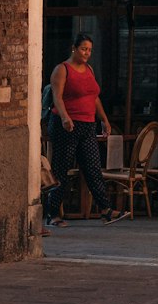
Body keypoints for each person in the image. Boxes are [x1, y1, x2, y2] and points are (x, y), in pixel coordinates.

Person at [44, 32, 128, 227]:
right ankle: (53, 214)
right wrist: (65, 117)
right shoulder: (62, 69)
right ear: (74, 48)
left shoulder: (89, 69)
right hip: (66, 124)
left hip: (87, 124)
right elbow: (57, 96)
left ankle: (105, 209)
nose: (86, 53)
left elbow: (94, 97)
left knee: (92, 167)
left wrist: (105, 120)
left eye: (89, 50)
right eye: (83, 49)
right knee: (61, 169)